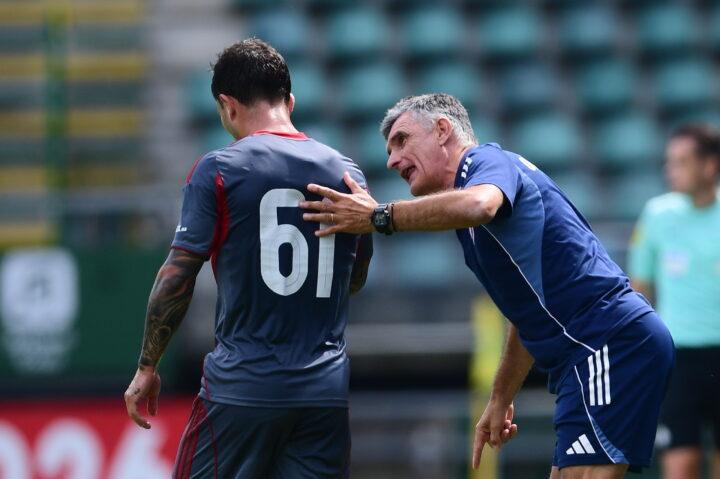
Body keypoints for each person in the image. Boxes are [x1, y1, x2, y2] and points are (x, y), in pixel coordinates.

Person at [301, 93, 674, 479]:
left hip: (606, 341)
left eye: (402, 140)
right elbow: (526, 315)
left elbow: (480, 204)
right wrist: (500, 397)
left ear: (442, 130)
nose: (392, 160)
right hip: (589, 352)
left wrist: (379, 216)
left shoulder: (484, 162)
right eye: (390, 150)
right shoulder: (471, 221)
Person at [122, 38, 372, 479]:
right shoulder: (347, 172)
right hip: (324, 393)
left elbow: (178, 275)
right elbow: (354, 277)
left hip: (242, 390)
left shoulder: (218, 169)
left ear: (228, 105)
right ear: (290, 102)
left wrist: (148, 365)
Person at [629, 124, 720, 479]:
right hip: (677, 358)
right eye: (670, 162)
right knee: (680, 463)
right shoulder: (657, 215)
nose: (671, 170)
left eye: (681, 162)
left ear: (709, 165)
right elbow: (640, 290)